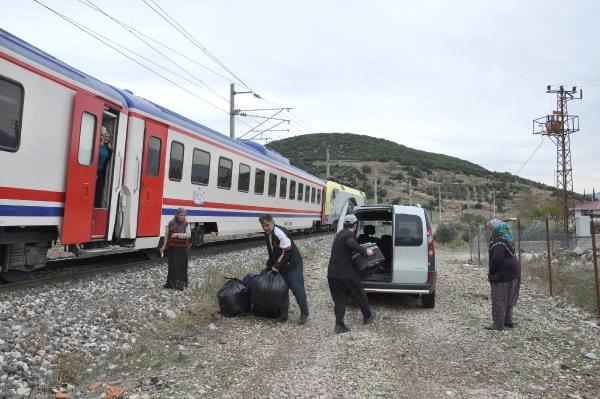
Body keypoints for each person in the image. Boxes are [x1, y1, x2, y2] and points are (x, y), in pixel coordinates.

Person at [327, 214, 375, 334]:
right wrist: (366, 252)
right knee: (359, 292)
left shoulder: (339, 234)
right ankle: (368, 316)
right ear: (355, 225)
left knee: (339, 299)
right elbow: (351, 244)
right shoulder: (349, 235)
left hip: (332, 273)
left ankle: (339, 325)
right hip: (346, 273)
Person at [259, 214, 309, 324]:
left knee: (297, 288)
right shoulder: (268, 234)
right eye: (263, 226)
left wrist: (276, 266)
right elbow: (273, 250)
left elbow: (287, 250)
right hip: (282, 265)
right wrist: (271, 263)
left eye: (267, 225)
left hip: (293, 264)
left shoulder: (279, 232)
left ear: (273, 222)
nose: (265, 228)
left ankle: (304, 313)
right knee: (282, 290)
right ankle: (283, 315)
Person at [486, 219, 521, 331]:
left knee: (499, 299)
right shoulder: (508, 238)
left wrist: (491, 272)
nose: (488, 231)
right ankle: (507, 321)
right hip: (514, 273)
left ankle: (498, 324)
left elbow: (497, 258)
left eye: (489, 229)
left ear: (496, 229)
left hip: (503, 274)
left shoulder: (498, 241)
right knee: (509, 297)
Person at [161, 208, 191, 291]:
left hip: (181, 249)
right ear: (177, 214)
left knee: (180, 267)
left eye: (184, 215)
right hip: (172, 248)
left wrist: (178, 234)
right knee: (172, 266)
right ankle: (170, 284)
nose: (182, 217)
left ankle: (179, 285)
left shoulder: (186, 224)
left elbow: (188, 235)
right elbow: (167, 235)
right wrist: (164, 246)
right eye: (181, 215)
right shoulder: (171, 223)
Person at [94, 127, 113, 208]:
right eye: (105, 136)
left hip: (101, 171)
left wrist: (111, 150)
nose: (106, 138)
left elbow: (108, 159)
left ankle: (97, 205)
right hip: (94, 170)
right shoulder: (97, 145)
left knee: (100, 189)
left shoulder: (107, 147)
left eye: (108, 137)